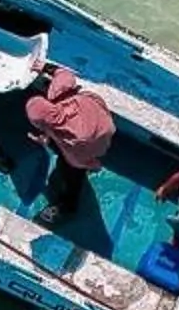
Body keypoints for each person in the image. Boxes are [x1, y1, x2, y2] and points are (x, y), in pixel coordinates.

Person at [24, 65, 116, 219]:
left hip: (88, 148)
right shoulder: (67, 95)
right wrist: (45, 67)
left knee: (71, 171)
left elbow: (77, 160)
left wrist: (45, 142)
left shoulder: (73, 142)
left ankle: (68, 205)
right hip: (104, 126)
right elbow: (65, 74)